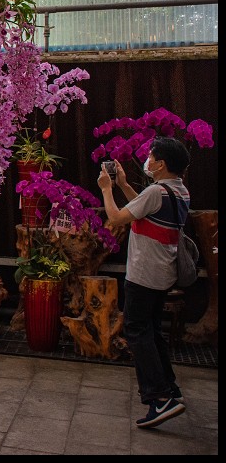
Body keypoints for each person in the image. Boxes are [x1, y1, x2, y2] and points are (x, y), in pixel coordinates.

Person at [98, 136, 191, 430]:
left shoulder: (156, 192)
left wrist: (106, 189)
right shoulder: (178, 191)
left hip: (144, 275)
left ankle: (159, 398)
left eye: (151, 156)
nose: (147, 160)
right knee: (152, 331)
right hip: (163, 274)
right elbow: (144, 206)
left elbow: (116, 217)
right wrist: (124, 184)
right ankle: (170, 387)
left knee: (136, 331)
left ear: (160, 163)